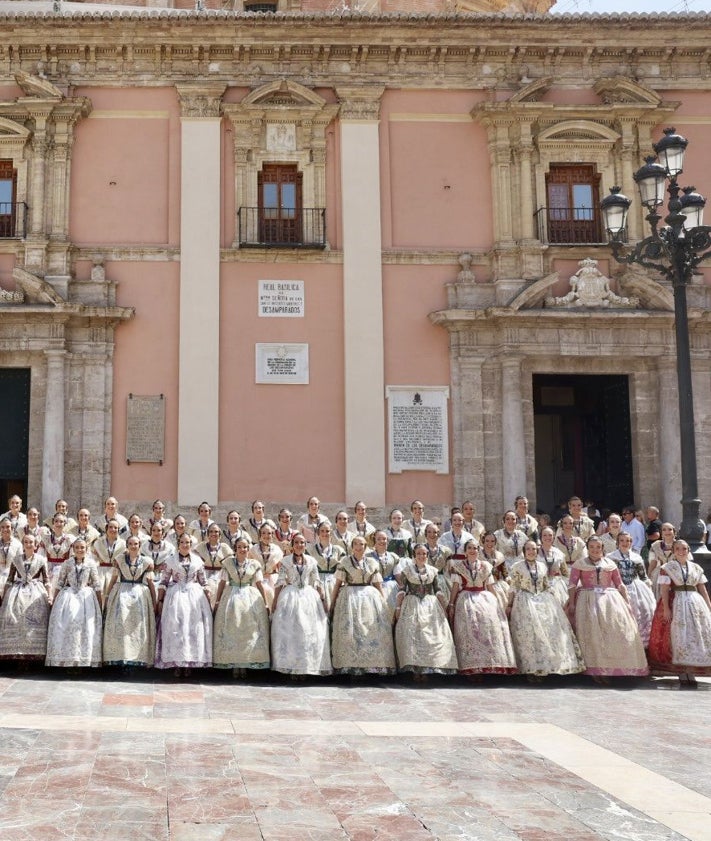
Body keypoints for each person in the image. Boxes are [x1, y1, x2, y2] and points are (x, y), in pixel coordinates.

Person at [567, 536, 648, 683]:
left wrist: (627, 601)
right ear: (587, 548)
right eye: (592, 547)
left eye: (598, 547)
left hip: (609, 599)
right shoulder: (580, 564)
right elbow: (572, 585)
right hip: (587, 598)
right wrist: (571, 604)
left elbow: (619, 584)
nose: (595, 550)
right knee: (591, 634)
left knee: (614, 631)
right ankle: (594, 669)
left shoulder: (610, 563)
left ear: (602, 548)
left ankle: (611, 667)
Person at [507, 540, 584, 680]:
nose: (531, 552)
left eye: (534, 549)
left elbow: (546, 584)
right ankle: (531, 669)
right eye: (528, 549)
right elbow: (513, 587)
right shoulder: (517, 567)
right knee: (530, 635)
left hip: (542, 599)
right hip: (525, 599)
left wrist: (553, 597)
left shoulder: (542, 566)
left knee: (549, 631)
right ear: (524, 552)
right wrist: (510, 604)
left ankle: (546, 667)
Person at [447, 540, 517, 677]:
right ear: (465, 551)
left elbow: (490, 586)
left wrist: (497, 603)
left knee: (488, 627)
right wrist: (451, 603)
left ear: (478, 551)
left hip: (484, 598)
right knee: (470, 629)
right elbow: (455, 586)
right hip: (466, 599)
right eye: (470, 548)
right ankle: (473, 668)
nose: (472, 550)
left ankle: (489, 665)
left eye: (475, 548)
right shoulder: (458, 566)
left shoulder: (485, 566)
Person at [648, 539, 711, 686]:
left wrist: (709, 606)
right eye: (678, 549)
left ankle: (691, 671)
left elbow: (702, 588)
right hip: (677, 601)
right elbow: (664, 588)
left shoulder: (696, 568)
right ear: (674, 551)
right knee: (679, 635)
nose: (681, 551)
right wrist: (666, 608)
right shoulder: (668, 567)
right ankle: (682, 671)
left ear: (688, 551)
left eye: (684, 549)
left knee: (694, 635)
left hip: (695, 603)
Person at [330, 535, 396, 676]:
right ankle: (351, 666)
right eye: (356, 544)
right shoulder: (345, 561)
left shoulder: (372, 562)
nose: (358, 547)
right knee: (351, 631)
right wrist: (332, 603)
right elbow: (337, 584)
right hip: (349, 597)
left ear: (366, 547)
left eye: (361, 544)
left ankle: (370, 666)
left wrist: (383, 603)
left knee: (370, 630)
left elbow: (378, 584)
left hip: (369, 596)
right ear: (352, 547)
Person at [270, 534, 331, 677]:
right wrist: (274, 601)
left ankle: (305, 667)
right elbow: (280, 581)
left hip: (308, 596)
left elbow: (316, 580)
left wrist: (322, 598)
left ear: (305, 545)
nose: (299, 545)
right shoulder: (285, 561)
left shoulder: (311, 561)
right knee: (290, 632)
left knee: (308, 631)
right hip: (290, 596)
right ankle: (291, 667)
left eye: (302, 543)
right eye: (296, 543)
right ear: (292, 545)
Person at [394, 544, 457, 679]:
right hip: (411, 603)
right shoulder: (407, 570)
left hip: (430, 604)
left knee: (432, 635)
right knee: (413, 635)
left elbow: (438, 590)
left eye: (424, 554)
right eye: (418, 554)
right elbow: (401, 590)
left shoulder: (433, 571)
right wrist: (398, 608)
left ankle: (427, 669)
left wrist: (445, 606)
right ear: (414, 556)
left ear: (427, 556)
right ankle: (416, 670)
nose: (421, 556)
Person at [155, 533, 213, 674]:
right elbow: (163, 581)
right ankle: (177, 664)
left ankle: (189, 664)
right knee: (177, 628)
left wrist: (209, 599)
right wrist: (160, 600)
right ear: (178, 544)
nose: (185, 545)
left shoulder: (198, 561)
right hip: (175, 596)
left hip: (194, 597)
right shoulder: (170, 560)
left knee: (192, 629)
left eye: (188, 542)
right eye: (182, 542)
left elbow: (203, 582)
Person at [212, 537, 270, 674]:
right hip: (231, 596)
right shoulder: (228, 564)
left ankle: (245, 663)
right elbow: (222, 583)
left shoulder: (254, 564)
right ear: (235, 549)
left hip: (249, 597)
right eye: (239, 547)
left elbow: (259, 584)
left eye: (245, 547)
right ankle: (233, 664)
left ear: (248, 549)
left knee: (249, 631)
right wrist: (218, 601)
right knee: (231, 629)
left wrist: (266, 603)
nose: (242, 550)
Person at [45, 539, 103, 669]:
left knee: (86, 627)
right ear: (73, 548)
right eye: (77, 547)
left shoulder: (91, 563)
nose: (79, 550)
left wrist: (99, 603)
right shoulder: (67, 563)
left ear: (86, 549)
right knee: (67, 623)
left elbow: (96, 584)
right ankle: (67, 660)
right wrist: (54, 600)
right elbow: (60, 582)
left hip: (86, 597)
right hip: (69, 595)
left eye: (82, 547)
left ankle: (82, 661)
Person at [103, 535, 157, 669]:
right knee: (121, 625)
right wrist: (108, 595)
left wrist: (154, 601)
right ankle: (121, 658)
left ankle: (138, 659)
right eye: (131, 544)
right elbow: (114, 578)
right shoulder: (120, 560)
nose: (134, 546)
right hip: (122, 593)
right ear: (127, 545)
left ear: (140, 546)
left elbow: (150, 583)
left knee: (137, 628)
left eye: (136, 544)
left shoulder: (146, 562)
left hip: (140, 595)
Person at [0, 534, 51, 661]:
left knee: (36, 617)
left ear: (36, 545)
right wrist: (4, 596)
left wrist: (49, 596)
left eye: (31, 542)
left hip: (35, 590)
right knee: (15, 615)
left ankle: (34, 654)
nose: (29, 545)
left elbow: (46, 580)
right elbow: (10, 580)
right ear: (23, 544)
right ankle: (18, 654)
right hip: (18, 590)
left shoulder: (40, 560)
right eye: (26, 542)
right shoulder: (16, 559)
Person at [606, 532, 656, 647]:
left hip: (635, 587)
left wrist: (648, 589)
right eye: (622, 540)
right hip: (617, 588)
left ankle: (639, 643)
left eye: (628, 541)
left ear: (631, 543)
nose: (625, 543)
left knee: (641, 612)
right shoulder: (611, 557)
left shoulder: (636, 557)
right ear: (617, 542)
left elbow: (643, 576)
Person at [195, 523, 234, 609]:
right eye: (211, 531)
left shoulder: (224, 547)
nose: (213, 534)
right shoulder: (201, 546)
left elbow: (230, 562)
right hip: (204, 574)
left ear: (219, 535)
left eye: (216, 532)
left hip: (221, 574)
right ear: (208, 534)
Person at [309, 521, 346, 612]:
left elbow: (343, 568)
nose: (325, 533)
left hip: (334, 582)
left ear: (331, 532)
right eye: (322, 531)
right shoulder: (311, 550)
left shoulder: (338, 550)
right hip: (316, 582)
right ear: (318, 533)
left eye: (327, 531)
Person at [248, 522, 283, 609]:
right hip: (257, 581)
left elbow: (281, 568)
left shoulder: (277, 550)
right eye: (263, 533)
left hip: (273, 580)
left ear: (272, 535)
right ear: (260, 535)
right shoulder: (253, 549)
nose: (266, 535)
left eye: (269, 533)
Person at [90, 519, 126, 601]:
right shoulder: (98, 542)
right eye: (110, 527)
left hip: (116, 572)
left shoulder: (123, 544)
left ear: (118, 530)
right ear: (106, 529)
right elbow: (93, 559)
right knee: (100, 595)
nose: (113, 529)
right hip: (101, 572)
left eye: (115, 528)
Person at [368, 529, 401, 615]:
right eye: (379, 539)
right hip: (374, 587)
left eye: (384, 539)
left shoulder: (393, 556)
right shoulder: (368, 557)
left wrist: (402, 587)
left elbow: (397, 574)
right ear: (374, 541)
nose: (382, 541)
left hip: (391, 589)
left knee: (391, 613)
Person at [536, 525, 569, 608]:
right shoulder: (535, 551)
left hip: (556, 584)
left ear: (554, 536)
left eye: (550, 535)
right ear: (540, 537)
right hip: (540, 583)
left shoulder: (559, 553)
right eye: (545, 535)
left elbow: (565, 572)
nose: (548, 537)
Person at [40, 513, 76, 585]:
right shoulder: (46, 538)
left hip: (64, 570)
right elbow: (41, 556)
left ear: (65, 524)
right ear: (53, 523)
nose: (58, 524)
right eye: (56, 521)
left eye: (61, 522)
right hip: (48, 569)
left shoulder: (70, 539)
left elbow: (72, 558)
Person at [480, 530, 510, 613]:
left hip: (497, 585)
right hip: (482, 587)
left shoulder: (499, 556)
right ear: (483, 541)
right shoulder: (478, 555)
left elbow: (504, 573)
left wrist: (508, 580)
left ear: (495, 542)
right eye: (487, 541)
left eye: (492, 541)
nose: (490, 543)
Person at [423, 523, 453, 602]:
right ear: (426, 533)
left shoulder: (446, 551)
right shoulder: (420, 549)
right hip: (425, 581)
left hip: (441, 582)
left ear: (438, 534)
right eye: (429, 532)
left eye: (435, 532)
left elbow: (450, 570)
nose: (432, 534)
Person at [648, 522, 677, 598]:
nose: (667, 532)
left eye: (670, 529)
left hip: (676, 574)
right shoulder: (656, 545)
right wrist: (648, 577)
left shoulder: (679, 545)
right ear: (661, 533)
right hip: (659, 574)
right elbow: (653, 563)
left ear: (674, 532)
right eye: (664, 530)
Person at [0, 518, 22, 593]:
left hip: (13, 575)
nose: (5, 529)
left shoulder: (18, 544)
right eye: (2, 527)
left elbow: (20, 564)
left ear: (12, 528)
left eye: (7, 527)